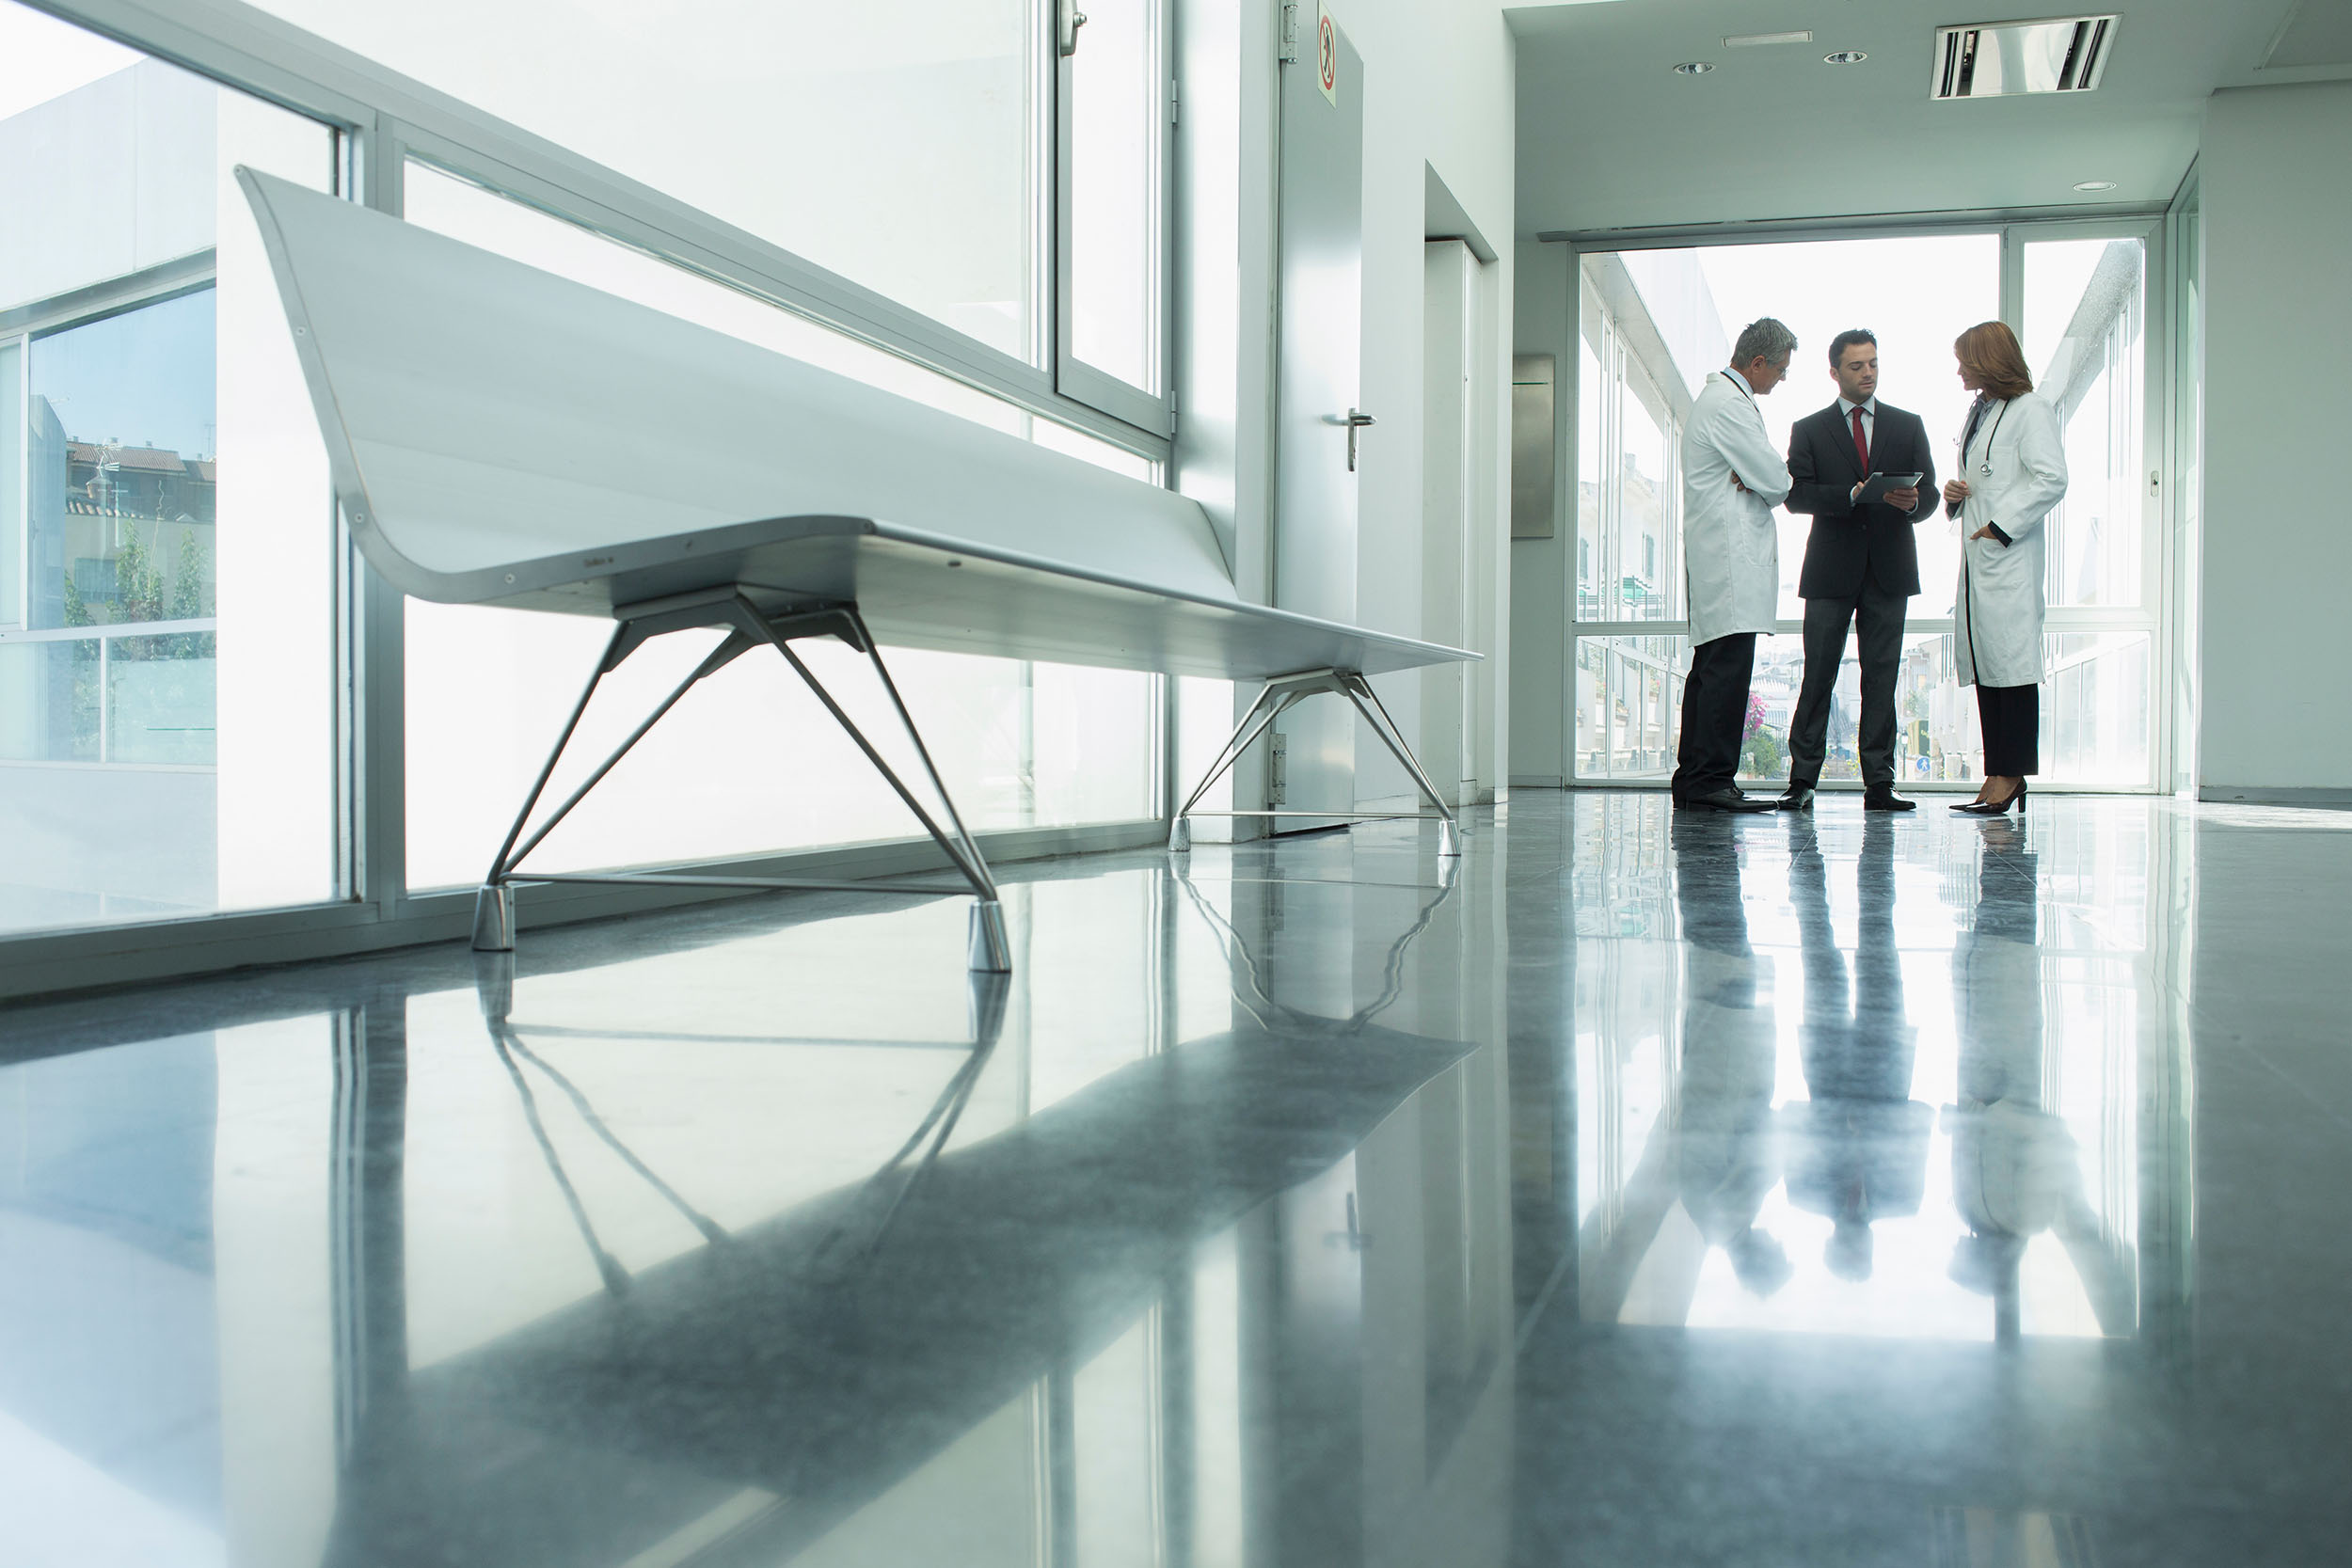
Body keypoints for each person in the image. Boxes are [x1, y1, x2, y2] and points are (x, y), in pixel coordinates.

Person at [1778, 330, 1939, 812]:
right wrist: (1849, 496)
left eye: (1873, 364)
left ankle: (1880, 785)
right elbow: (1795, 495)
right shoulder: (1809, 429)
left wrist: (1914, 503)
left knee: (1882, 678)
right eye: (1856, 366)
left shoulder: (1907, 425)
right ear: (1834, 373)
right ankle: (1802, 780)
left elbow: (1928, 494)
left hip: (1889, 570)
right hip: (1830, 571)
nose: (1868, 372)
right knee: (1818, 676)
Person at [1943, 321, 2067, 816]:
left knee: (2011, 669)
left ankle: (2012, 774)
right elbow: (1988, 478)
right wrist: (1958, 496)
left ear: (1988, 361)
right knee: (1990, 668)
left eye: (1965, 361)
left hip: (2006, 559)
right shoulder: (1984, 411)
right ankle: (1998, 772)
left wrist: (1999, 525)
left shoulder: (2030, 410)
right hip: (1981, 561)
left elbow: (2051, 478)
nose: (1959, 370)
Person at [1673, 318, 1795, 813]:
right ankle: (1710, 780)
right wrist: (1764, 476)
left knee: (1711, 671)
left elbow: (1762, 476)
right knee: (1724, 672)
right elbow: (1777, 479)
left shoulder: (1723, 402)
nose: (1781, 379)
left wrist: (1759, 476)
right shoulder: (1729, 405)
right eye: (1780, 370)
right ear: (1758, 362)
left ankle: (1698, 778)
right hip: (1727, 559)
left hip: (1720, 558)